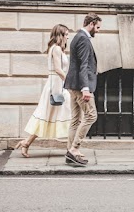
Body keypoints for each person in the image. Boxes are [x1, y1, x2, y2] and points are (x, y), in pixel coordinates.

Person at [15, 24, 71, 158]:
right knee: (50, 115)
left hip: (58, 85)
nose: (68, 38)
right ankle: (73, 148)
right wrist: (69, 82)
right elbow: (58, 69)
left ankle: (26, 143)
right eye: (66, 35)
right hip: (56, 86)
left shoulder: (58, 49)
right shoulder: (56, 49)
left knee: (53, 115)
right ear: (60, 35)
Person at [64, 13, 102, 166]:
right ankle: (74, 149)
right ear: (91, 24)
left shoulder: (77, 37)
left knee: (75, 120)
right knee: (91, 116)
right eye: (98, 27)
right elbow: (84, 66)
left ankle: (69, 152)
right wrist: (85, 88)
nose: (98, 30)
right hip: (81, 86)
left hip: (73, 85)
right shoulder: (84, 39)